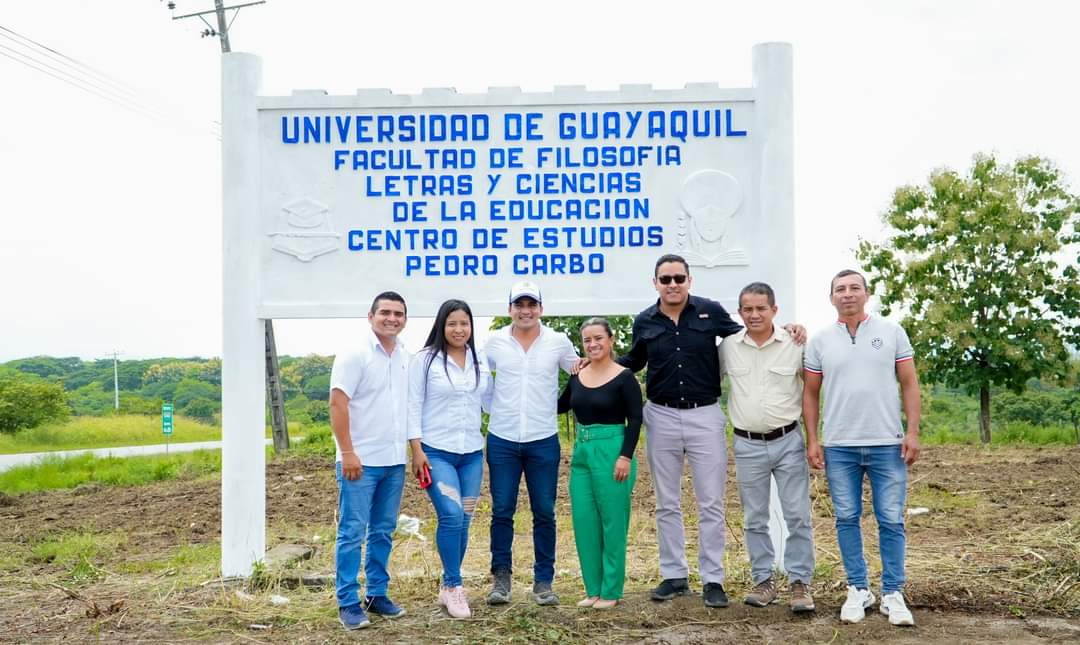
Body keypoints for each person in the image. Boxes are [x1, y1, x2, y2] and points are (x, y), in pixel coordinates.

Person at [619, 253, 804, 608]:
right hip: (661, 415)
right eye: (665, 279)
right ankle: (674, 575)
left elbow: (751, 336)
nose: (673, 284)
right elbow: (635, 361)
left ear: (689, 280)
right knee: (667, 502)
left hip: (704, 415)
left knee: (711, 503)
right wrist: (598, 363)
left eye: (679, 278)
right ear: (655, 283)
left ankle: (713, 579)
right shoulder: (644, 320)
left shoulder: (710, 312)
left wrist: (789, 330)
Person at [802, 269, 922, 627]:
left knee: (891, 519)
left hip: (887, 442)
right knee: (846, 518)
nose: (848, 294)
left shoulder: (892, 332)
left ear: (866, 294)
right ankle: (858, 589)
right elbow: (810, 392)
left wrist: (912, 432)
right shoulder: (820, 341)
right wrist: (813, 439)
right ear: (831, 298)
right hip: (840, 446)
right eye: (840, 289)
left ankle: (893, 593)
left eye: (855, 287)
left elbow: (909, 383)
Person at [720, 282, 815, 613]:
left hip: (789, 441)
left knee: (797, 514)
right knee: (754, 517)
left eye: (761, 308)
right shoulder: (729, 346)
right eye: (747, 309)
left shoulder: (795, 343)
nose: (755, 314)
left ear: (774, 310)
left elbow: (812, 391)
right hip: (747, 444)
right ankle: (764, 581)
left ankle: (800, 583)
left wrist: (815, 439)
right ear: (739, 312)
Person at [483, 281, 579, 606]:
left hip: (543, 439)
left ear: (540, 308)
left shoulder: (558, 341)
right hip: (502, 439)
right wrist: (493, 409)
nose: (525, 311)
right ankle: (501, 579)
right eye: (519, 305)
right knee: (502, 510)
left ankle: (543, 581)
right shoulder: (494, 342)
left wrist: (562, 404)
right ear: (509, 309)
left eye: (531, 304)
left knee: (544, 511)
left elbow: (579, 371)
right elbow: (480, 378)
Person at [328, 291, 411, 630]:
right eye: (385, 313)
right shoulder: (354, 354)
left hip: (394, 460)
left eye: (398, 314)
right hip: (359, 462)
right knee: (352, 532)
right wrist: (347, 452)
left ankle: (376, 594)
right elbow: (337, 403)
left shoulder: (405, 355)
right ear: (371, 316)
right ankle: (347, 601)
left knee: (383, 531)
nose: (392, 319)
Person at [407, 299, 493, 620]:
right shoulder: (425, 360)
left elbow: (490, 402)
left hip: (471, 453)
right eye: (452, 323)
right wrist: (416, 450)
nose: (459, 329)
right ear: (441, 325)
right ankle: (455, 585)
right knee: (452, 516)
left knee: (465, 519)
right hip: (435, 452)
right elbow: (412, 405)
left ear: (472, 326)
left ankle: (447, 585)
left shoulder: (479, 359)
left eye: (464, 323)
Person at [557, 317, 642, 609]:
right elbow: (560, 406)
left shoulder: (624, 377)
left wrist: (625, 456)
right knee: (584, 521)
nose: (592, 344)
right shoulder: (577, 375)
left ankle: (611, 590)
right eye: (587, 340)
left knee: (612, 523)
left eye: (598, 338)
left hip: (613, 450)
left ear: (611, 340)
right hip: (582, 451)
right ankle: (593, 589)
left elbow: (636, 419)